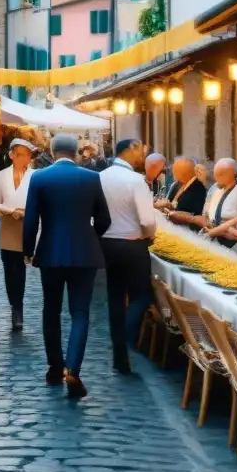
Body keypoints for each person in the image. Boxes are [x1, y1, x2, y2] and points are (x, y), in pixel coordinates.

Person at [23, 134, 111, 399]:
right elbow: (104, 219)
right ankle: (73, 368)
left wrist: (28, 250)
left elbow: (30, 219)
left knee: (51, 309)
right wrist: (91, 238)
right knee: (80, 312)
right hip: (85, 251)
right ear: (76, 153)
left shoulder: (39, 177)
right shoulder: (92, 178)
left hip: (51, 251)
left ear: (52, 150)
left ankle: (54, 367)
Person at [99, 139, 157, 374]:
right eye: (142, 149)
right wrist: (149, 236)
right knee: (142, 296)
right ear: (131, 149)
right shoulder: (136, 180)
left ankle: (119, 356)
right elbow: (147, 220)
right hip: (132, 244)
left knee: (115, 297)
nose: (143, 154)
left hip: (106, 243)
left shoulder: (100, 176)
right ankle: (126, 338)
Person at [0, 139, 37, 331]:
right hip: (8, 227)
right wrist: (9, 210)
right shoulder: (0, 177)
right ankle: (14, 305)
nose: (26, 158)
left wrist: (26, 212)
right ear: (12, 155)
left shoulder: (35, 176)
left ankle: (19, 306)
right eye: (22, 154)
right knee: (10, 269)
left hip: (27, 227)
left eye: (28, 154)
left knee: (21, 268)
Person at [197, 159, 237, 248]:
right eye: (216, 174)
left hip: (232, 242)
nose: (217, 177)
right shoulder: (213, 188)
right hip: (210, 238)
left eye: (221, 174)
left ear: (233, 173)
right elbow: (206, 210)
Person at [155, 157, 208, 226]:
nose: (172, 172)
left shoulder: (198, 188)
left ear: (183, 172)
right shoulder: (177, 184)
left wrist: (172, 211)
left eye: (175, 170)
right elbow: (169, 202)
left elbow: (195, 213)